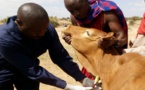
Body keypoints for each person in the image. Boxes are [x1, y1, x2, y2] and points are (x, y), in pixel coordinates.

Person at [0, 3, 95, 90]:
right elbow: (32, 70)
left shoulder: (47, 29)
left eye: (44, 29)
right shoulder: (4, 37)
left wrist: (83, 79)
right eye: (36, 31)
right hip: (3, 70)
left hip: (28, 71)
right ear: (19, 23)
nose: (41, 33)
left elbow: (61, 57)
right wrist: (68, 86)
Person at [63, 0, 128, 79]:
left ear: (86, 2)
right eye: (71, 11)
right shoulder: (74, 18)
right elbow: (80, 37)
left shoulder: (106, 13)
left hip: (111, 59)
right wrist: (71, 39)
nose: (76, 14)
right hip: (91, 62)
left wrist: (111, 42)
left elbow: (122, 38)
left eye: (78, 9)